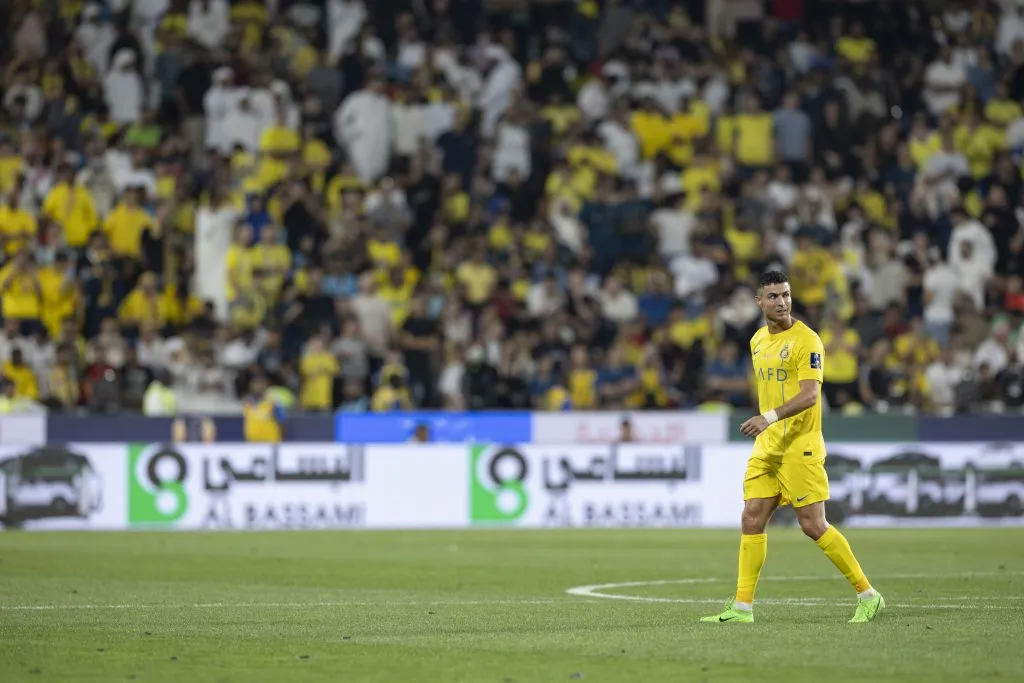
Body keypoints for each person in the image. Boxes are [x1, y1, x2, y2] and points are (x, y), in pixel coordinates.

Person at [701, 270, 884, 625]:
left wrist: (767, 417)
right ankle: (742, 607)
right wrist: (767, 424)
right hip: (768, 446)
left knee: (813, 525)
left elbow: (810, 394)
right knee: (752, 518)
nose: (782, 302)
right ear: (759, 302)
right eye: (773, 296)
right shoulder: (756, 341)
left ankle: (868, 594)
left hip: (800, 446)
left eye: (785, 295)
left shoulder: (808, 341)